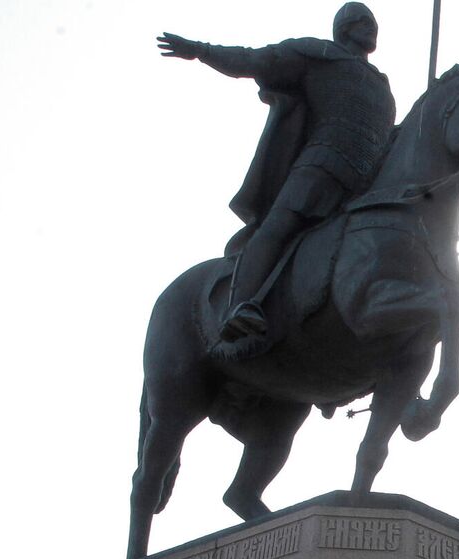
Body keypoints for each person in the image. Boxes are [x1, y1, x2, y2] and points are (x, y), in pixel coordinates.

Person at [156, 3, 397, 343]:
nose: (369, 27)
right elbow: (256, 61)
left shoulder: (382, 85)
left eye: (372, 22)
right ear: (343, 28)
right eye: (359, 20)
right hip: (321, 167)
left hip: (365, 186)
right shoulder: (319, 54)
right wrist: (202, 51)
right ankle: (241, 304)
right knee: (279, 226)